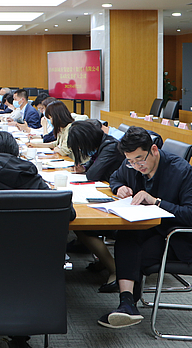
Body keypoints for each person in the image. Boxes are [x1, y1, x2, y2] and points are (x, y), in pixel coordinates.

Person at [0, 131, 75, 348]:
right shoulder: (29, 171)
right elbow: (68, 213)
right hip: (31, 266)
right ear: (14, 151)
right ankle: (19, 336)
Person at [97, 126, 192, 329]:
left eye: (140, 160)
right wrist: (119, 187)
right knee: (126, 237)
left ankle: (127, 305)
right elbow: (115, 177)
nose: (137, 166)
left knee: (134, 253)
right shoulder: (131, 164)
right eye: (131, 161)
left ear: (154, 150)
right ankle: (127, 304)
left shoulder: (181, 170)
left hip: (177, 236)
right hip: (149, 229)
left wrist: (156, 202)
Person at [66, 119, 126, 293]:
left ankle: (115, 269)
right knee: (80, 224)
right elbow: (92, 166)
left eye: (80, 146)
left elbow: (93, 173)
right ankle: (104, 261)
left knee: (84, 227)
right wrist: (84, 167)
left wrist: (87, 168)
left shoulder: (111, 147)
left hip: (121, 202)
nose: (81, 150)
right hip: (111, 194)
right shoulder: (103, 145)